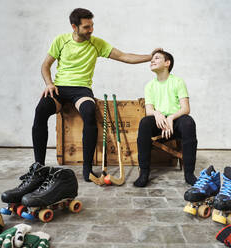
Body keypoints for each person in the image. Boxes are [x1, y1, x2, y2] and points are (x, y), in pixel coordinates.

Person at [33, 8, 159, 182]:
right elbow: (45, 65)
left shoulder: (96, 43)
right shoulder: (60, 41)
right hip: (60, 88)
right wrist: (49, 84)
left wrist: (150, 57)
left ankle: (87, 169)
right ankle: (38, 167)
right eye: (86, 27)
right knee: (41, 109)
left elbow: (124, 56)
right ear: (74, 27)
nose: (91, 30)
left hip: (81, 90)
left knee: (89, 111)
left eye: (92, 26)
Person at [133, 50, 198, 187]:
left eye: (156, 58)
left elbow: (186, 108)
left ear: (167, 63)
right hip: (159, 121)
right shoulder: (149, 86)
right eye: (152, 59)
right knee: (145, 123)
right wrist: (158, 114)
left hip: (176, 121)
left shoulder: (178, 82)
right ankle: (144, 173)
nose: (152, 61)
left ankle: (189, 174)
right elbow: (149, 110)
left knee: (188, 122)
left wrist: (171, 118)